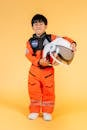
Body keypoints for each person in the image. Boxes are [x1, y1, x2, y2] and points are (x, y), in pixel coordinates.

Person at [25, 14, 76, 121]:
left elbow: (64, 39)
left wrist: (72, 43)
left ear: (46, 26)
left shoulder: (51, 38)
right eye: (35, 24)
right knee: (34, 91)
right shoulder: (29, 42)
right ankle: (34, 110)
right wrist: (39, 62)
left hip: (48, 72)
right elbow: (28, 55)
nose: (38, 26)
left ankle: (47, 112)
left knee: (49, 92)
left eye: (41, 23)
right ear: (32, 26)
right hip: (34, 72)